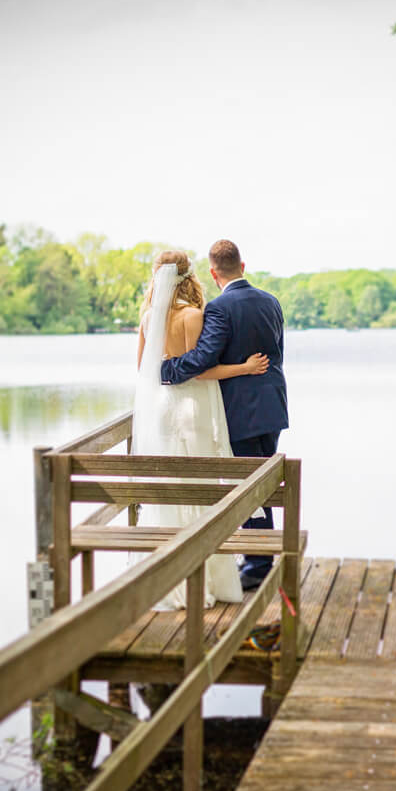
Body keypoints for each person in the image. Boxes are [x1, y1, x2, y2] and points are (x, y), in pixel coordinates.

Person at [133, 249, 269, 611]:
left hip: (164, 410)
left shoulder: (149, 317)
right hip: (193, 410)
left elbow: (145, 371)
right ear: (190, 276)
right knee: (200, 491)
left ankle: (167, 577)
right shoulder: (194, 316)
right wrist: (243, 368)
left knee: (171, 490)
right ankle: (203, 574)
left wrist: (166, 374)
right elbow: (201, 369)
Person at [161, 239, 288, 592]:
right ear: (242, 266)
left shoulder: (219, 308)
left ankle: (259, 564)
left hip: (240, 410)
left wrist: (164, 371)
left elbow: (202, 360)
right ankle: (259, 556)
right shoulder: (271, 301)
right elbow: (277, 352)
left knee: (247, 486)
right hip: (273, 404)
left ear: (214, 273)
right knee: (260, 483)